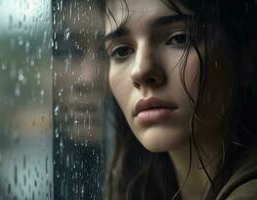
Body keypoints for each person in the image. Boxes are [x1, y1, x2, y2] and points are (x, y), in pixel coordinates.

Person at [101, 0, 257, 199]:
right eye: (121, 51)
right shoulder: (144, 184)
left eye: (179, 38)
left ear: (247, 58)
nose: (140, 70)